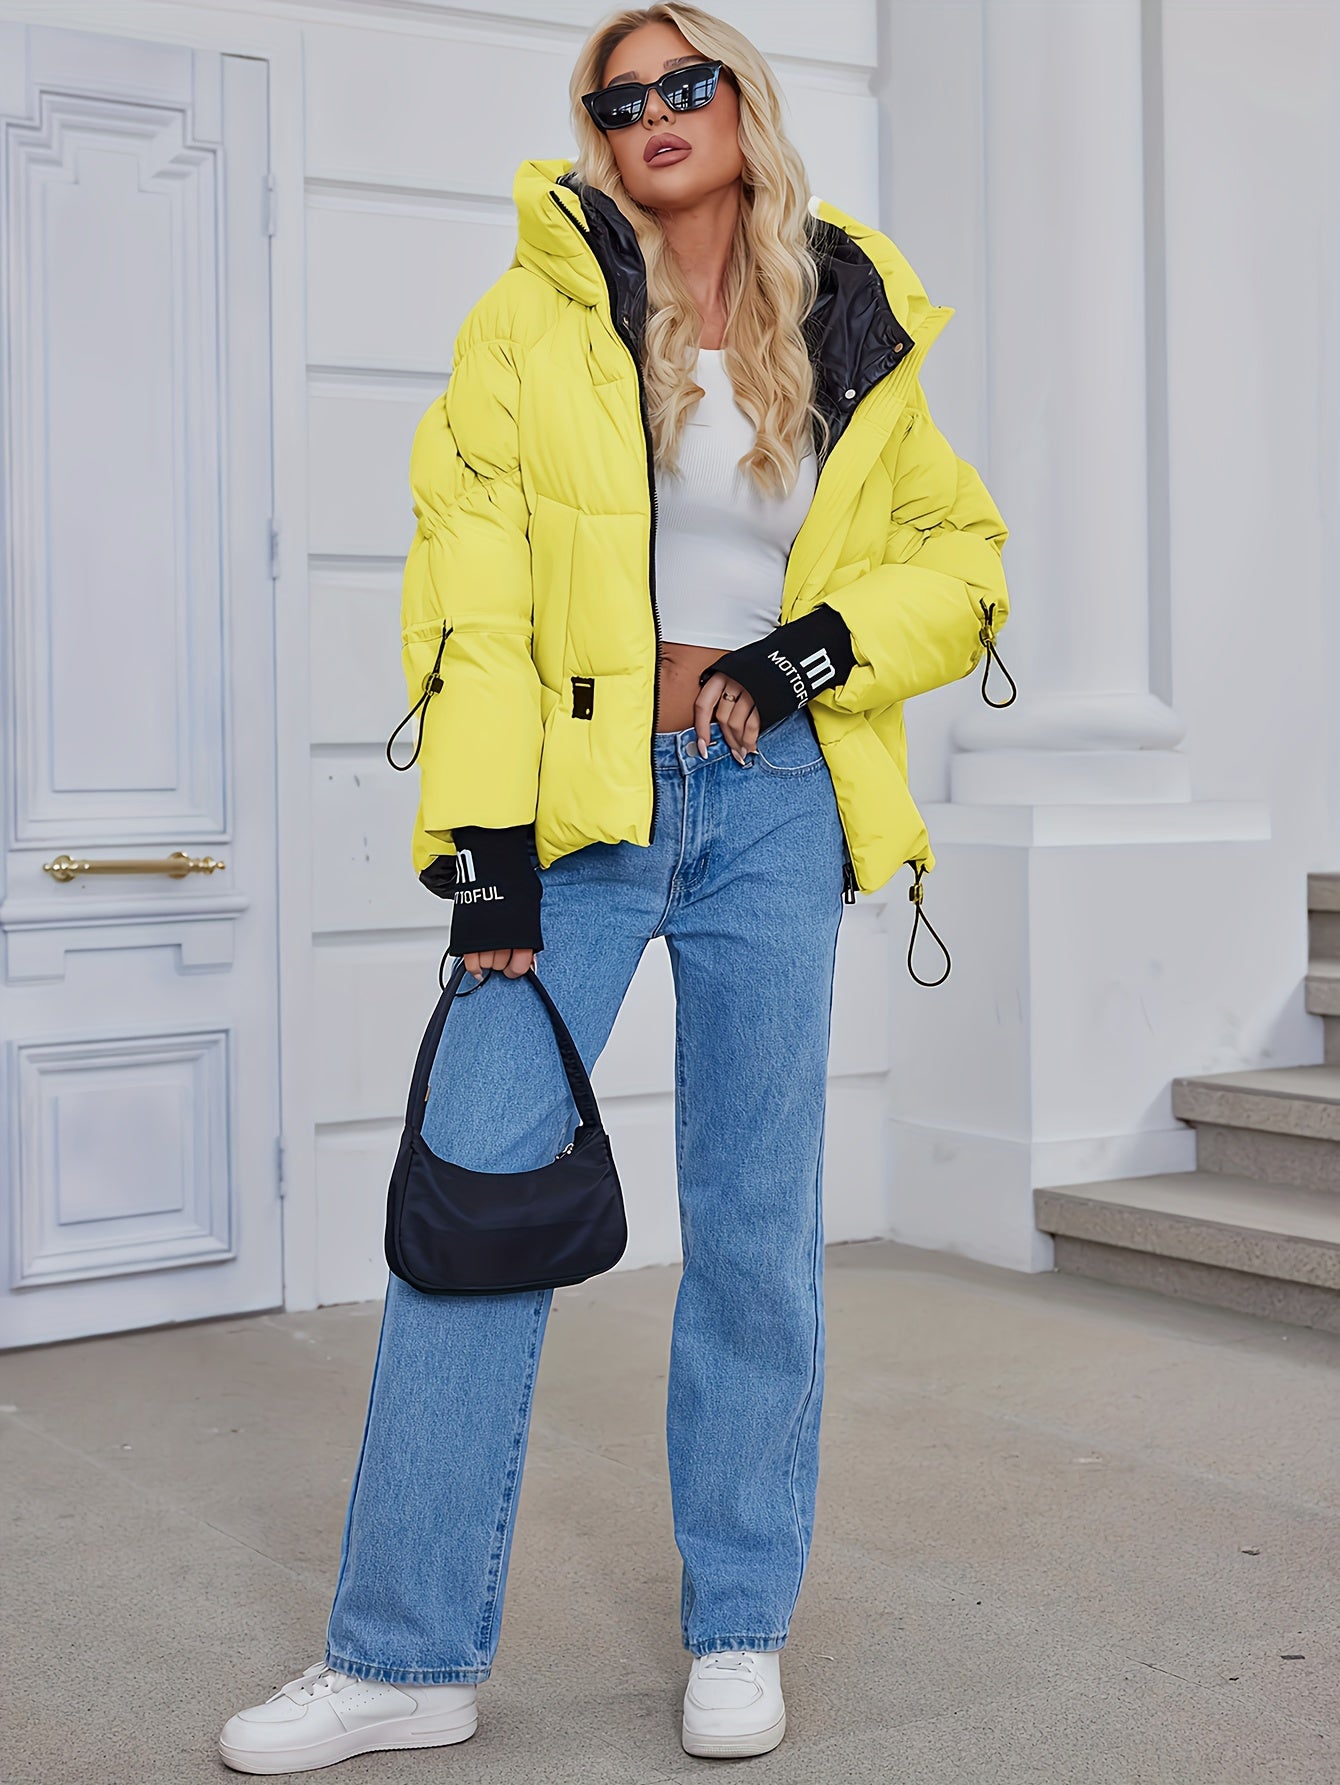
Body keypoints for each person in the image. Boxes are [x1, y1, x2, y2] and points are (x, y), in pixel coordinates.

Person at [218, 2, 1011, 1772]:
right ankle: (402, 1654)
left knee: (753, 1223)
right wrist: (485, 857)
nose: (656, 110)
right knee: (476, 1200)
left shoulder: (850, 311)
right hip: (579, 807)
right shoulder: (535, 316)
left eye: (686, 82)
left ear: (742, 103)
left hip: (774, 803)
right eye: (621, 93)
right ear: (596, 125)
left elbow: (963, 562)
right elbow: (471, 595)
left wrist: (811, 652)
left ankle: (738, 1623)